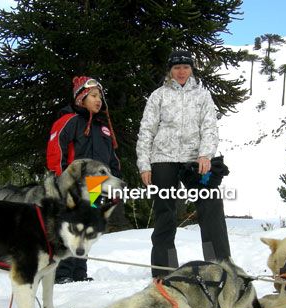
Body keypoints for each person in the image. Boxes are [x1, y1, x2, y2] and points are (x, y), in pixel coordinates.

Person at [136, 50, 231, 278]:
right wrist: (144, 164)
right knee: (165, 213)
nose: (181, 72)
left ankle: (218, 264)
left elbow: (209, 127)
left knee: (211, 205)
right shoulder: (158, 95)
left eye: (185, 67)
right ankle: (165, 271)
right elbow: (146, 130)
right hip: (163, 159)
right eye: (177, 68)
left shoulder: (202, 95)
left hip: (195, 160)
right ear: (170, 70)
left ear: (191, 69)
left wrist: (205, 154)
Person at [47, 76, 121, 283]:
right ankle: (62, 274)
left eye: (100, 97)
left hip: (97, 185)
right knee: (71, 226)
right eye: (94, 96)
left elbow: (112, 158)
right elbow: (56, 147)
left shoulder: (104, 127)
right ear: (81, 98)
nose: (99, 100)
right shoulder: (70, 120)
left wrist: (115, 181)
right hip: (74, 183)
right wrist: (60, 176)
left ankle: (79, 273)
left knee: (87, 226)